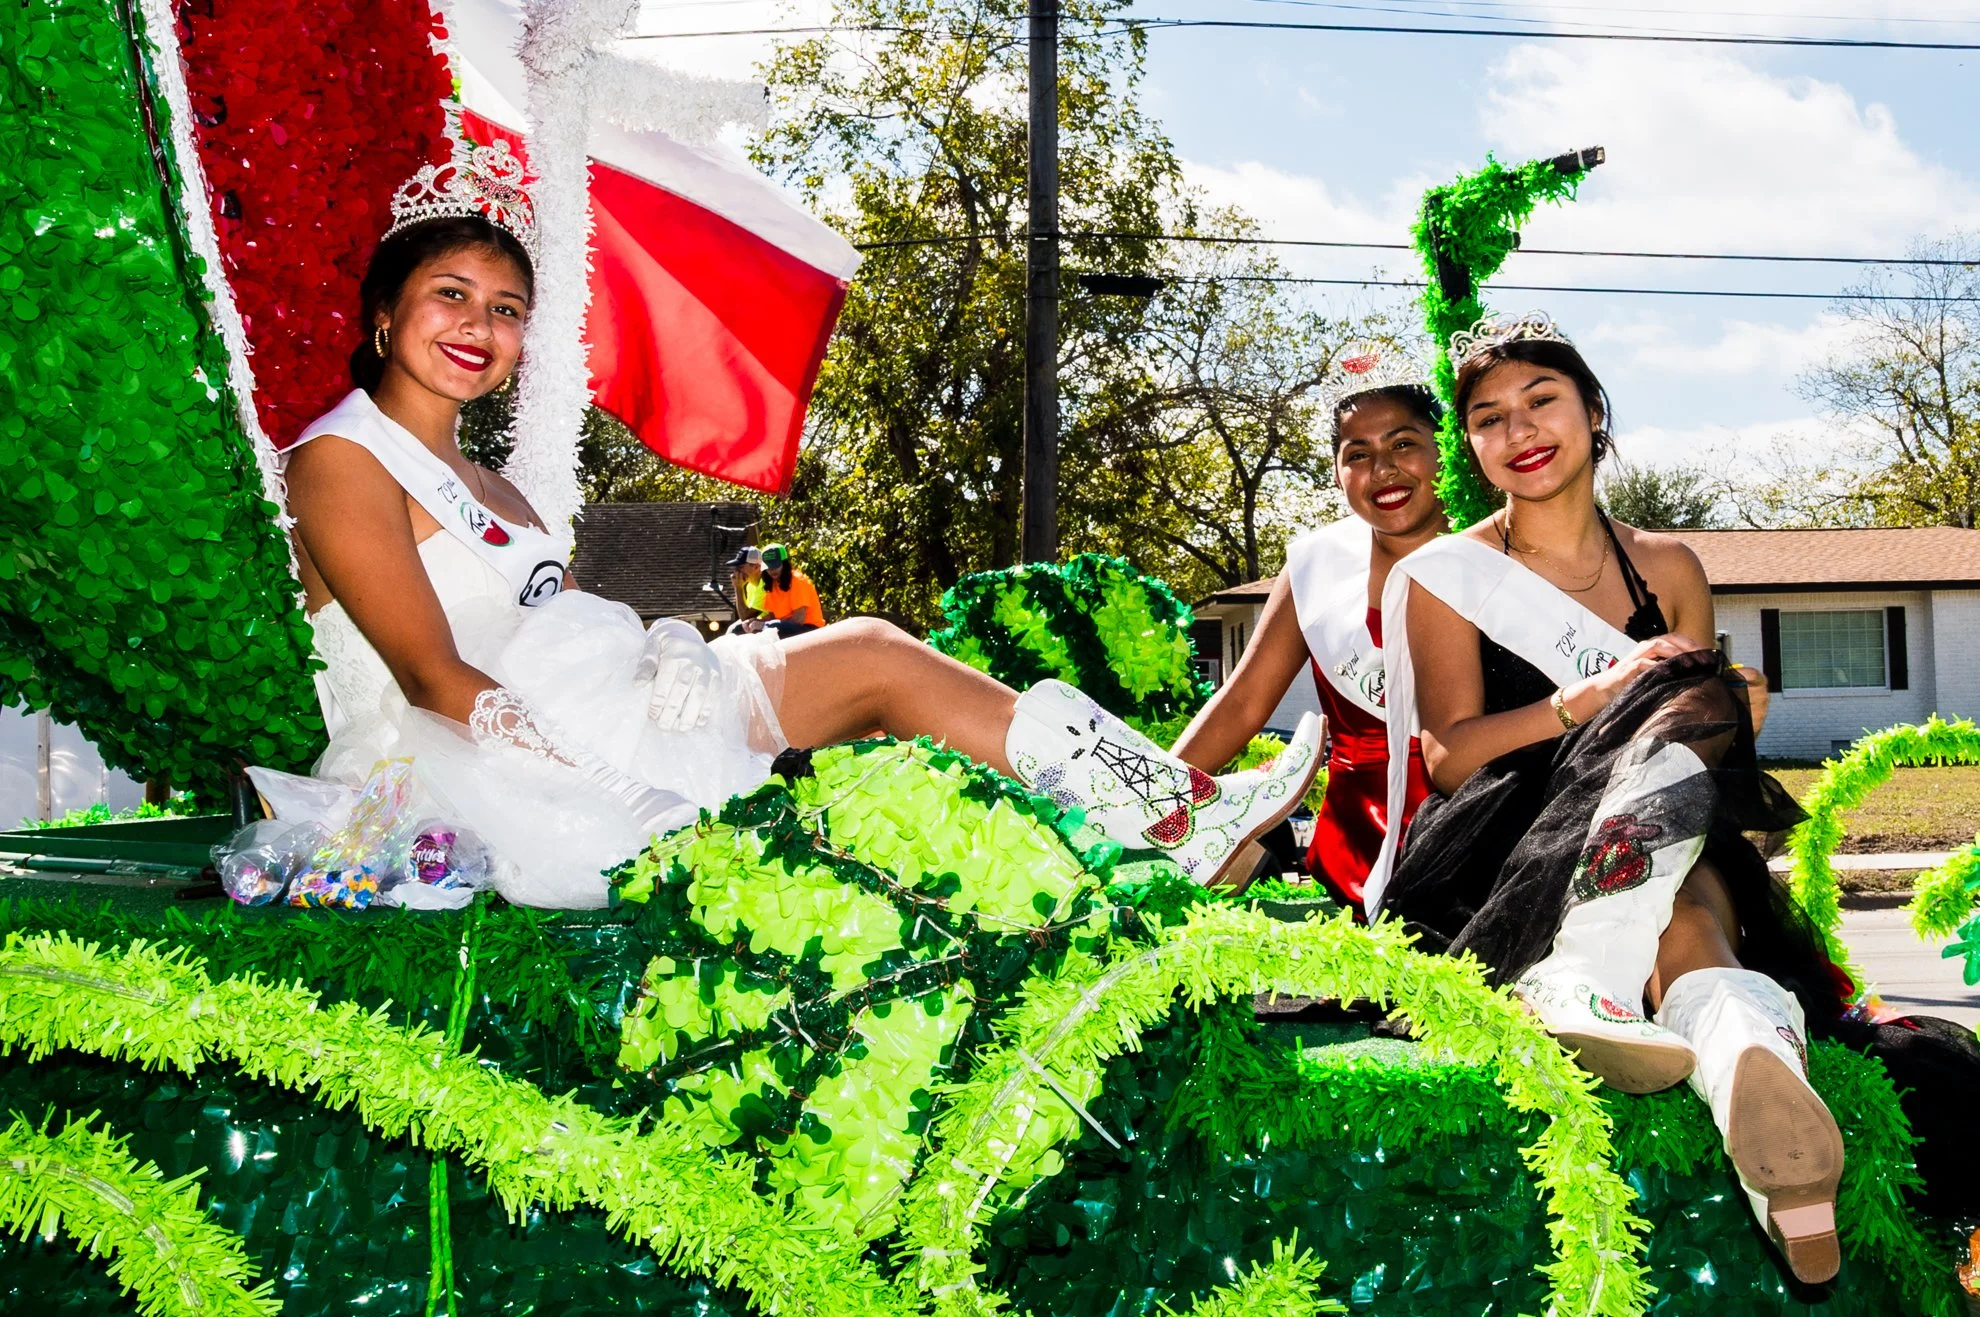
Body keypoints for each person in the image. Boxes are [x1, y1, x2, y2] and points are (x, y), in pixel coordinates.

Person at [275, 137, 1321, 911]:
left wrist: (676, 652)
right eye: (450, 295)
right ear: (383, 314)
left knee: (871, 650)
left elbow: (557, 612)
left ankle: (1175, 812)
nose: (481, 326)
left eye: (507, 308)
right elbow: (429, 675)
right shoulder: (342, 456)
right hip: (480, 757)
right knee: (864, 690)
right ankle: (1179, 819)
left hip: (590, 702)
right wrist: (609, 786)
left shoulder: (488, 477)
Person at [1370, 312, 1980, 1281]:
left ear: (1594, 411)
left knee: (1687, 887)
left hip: (1662, 828)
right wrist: (1588, 702)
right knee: (1678, 845)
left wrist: (1738, 719)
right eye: (1489, 418)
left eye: (1542, 401)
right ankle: (1710, 1018)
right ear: (1474, 450)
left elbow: (1707, 769)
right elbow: (1450, 757)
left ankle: (1737, 1057)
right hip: (1517, 834)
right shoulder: (1450, 577)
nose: (1520, 431)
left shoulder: (1669, 569)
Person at [1172, 343, 1441, 910]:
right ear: (1338, 471)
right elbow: (1244, 703)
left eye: (1403, 444)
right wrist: (1155, 803)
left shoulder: (1503, 551)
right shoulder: (1316, 565)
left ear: (1443, 450)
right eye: (1357, 453)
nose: (1383, 469)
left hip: (1478, 832)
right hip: (1353, 846)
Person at [743, 542, 824, 637]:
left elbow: (798, 621)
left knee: (767, 629)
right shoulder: (771, 584)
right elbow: (773, 615)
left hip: (809, 630)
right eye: (769, 567)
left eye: (776, 565)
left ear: (784, 564)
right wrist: (756, 621)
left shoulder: (797, 581)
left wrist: (765, 625)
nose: (772, 570)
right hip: (785, 627)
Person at [726, 545, 765, 633]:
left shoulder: (765, 584)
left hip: (773, 629)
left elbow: (745, 617)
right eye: (736, 568)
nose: (737, 572)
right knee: (732, 628)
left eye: (741, 567)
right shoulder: (749, 585)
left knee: (736, 629)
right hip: (760, 626)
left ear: (756, 567)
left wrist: (738, 588)